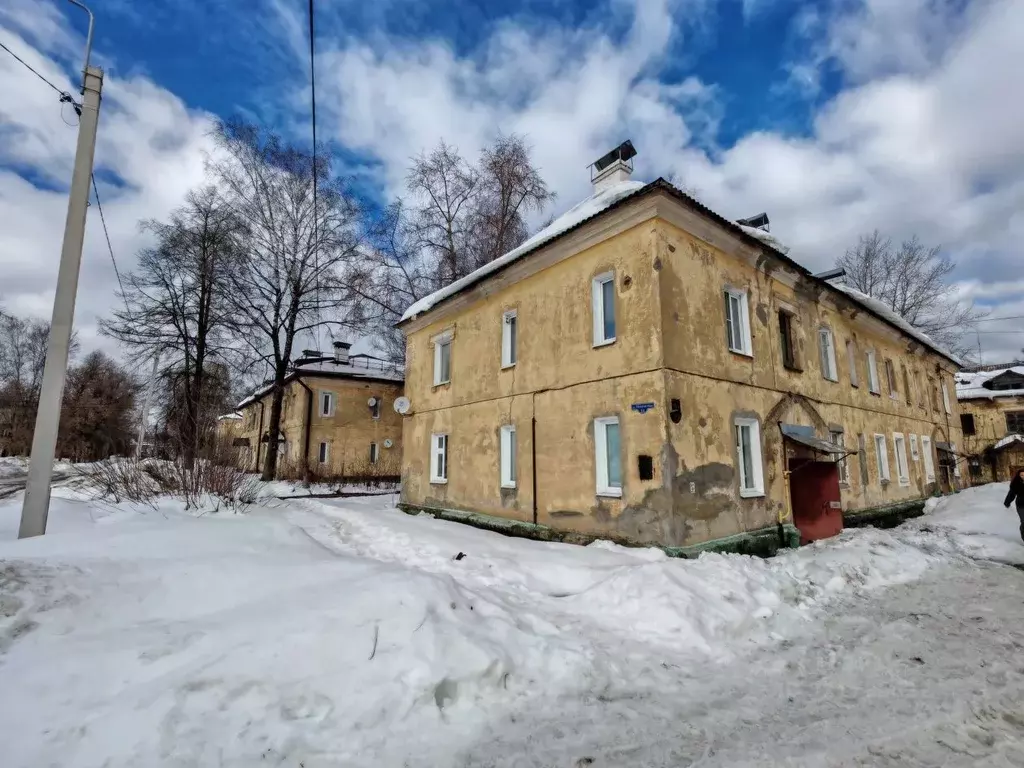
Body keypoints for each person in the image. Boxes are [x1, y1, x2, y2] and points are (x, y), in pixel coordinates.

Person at [1006, 469, 1024, 542]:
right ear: (1019, 476)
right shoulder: (1016, 484)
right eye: (1022, 475)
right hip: (1021, 505)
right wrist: (1007, 502)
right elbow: (1011, 494)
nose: (1023, 476)